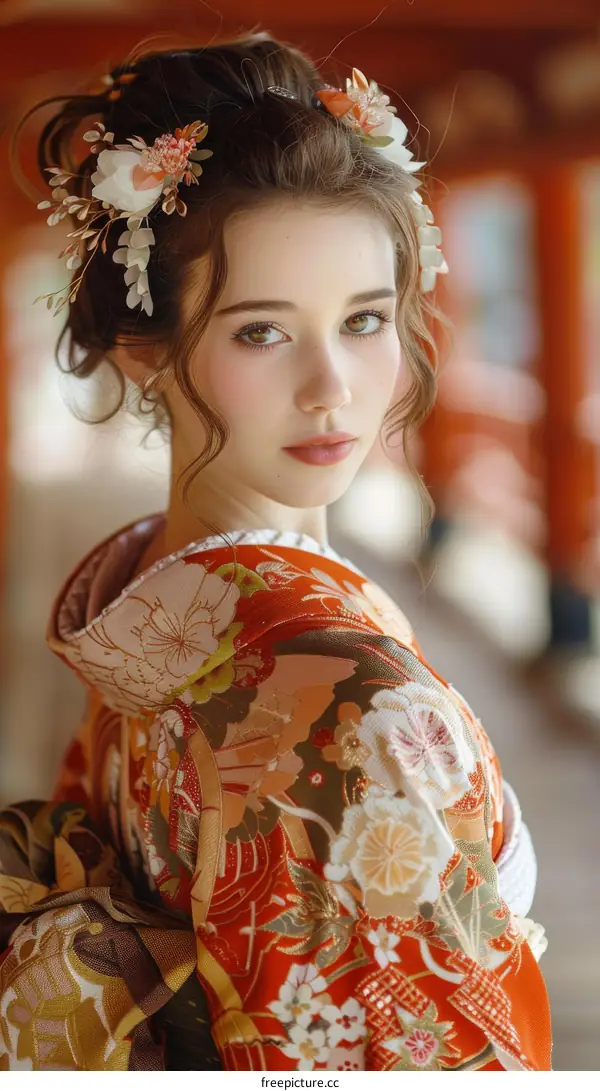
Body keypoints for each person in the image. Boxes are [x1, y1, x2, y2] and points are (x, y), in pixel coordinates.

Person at [0, 34, 551, 1071]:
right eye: (262, 330)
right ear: (146, 349)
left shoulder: (141, 597)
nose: (332, 385)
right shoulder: (337, 696)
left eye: (364, 319)